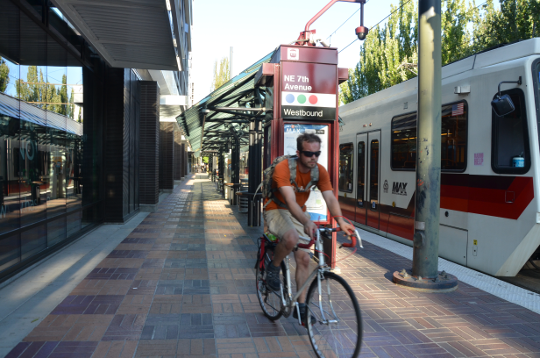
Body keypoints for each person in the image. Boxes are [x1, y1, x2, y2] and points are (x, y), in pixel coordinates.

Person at [263, 132, 355, 325]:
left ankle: (301, 307)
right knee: (290, 238)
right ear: (299, 152)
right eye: (308, 153)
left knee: (304, 259)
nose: (313, 157)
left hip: (298, 212)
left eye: (317, 153)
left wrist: (340, 221)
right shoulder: (283, 169)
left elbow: (330, 197)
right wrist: (306, 221)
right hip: (276, 208)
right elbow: (289, 201)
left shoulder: (319, 171)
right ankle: (274, 266)